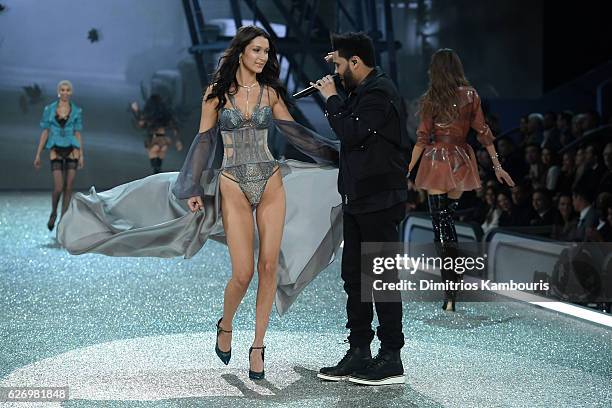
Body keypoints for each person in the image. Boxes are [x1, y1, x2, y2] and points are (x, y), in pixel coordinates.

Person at [57, 25, 342, 380]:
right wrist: (192, 185)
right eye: (256, 50)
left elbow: (297, 134)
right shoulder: (216, 95)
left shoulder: (270, 93)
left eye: (267, 52)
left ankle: (258, 347)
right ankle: (225, 324)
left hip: (270, 181)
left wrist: (337, 153)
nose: (262, 57)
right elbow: (204, 142)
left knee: (269, 267)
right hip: (232, 183)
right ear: (241, 52)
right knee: (243, 273)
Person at [311, 32, 410, 386]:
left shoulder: (380, 93)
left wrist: (331, 97)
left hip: (381, 200)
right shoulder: (360, 91)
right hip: (358, 200)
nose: (335, 72)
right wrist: (337, 81)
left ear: (356, 62)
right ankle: (359, 351)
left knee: (379, 279)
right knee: (354, 278)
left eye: (339, 65)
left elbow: (351, 133)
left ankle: (391, 357)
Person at [407, 49, 515, 312]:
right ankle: (453, 288)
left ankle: (451, 292)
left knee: (440, 227)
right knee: (448, 223)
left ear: (435, 69)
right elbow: (484, 133)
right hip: (461, 161)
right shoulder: (471, 94)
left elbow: (422, 138)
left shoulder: (431, 98)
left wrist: (408, 168)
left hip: (436, 161)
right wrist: (498, 166)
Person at [33, 80, 84, 231]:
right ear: (58, 91)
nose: (65, 92)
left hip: (72, 149)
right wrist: (38, 154)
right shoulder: (49, 109)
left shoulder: (76, 111)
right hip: (55, 148)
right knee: (58, 187)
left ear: (71, 92)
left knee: (69, 188)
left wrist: (81, 154)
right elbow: (45, 132)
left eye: (68, 90)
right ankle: (54, 212)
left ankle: (63, 221)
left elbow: (78, 133)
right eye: (63, 90)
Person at [130, 94, 183, 173]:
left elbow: (141, 124)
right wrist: (178, 142)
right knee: (159, 165)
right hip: (164, 141)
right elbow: (174, 127)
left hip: (153, 140)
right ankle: (158, 174)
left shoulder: (149, 114)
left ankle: (155, 175)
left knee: (154, 166)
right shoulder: (166, 114)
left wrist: (136, 111)